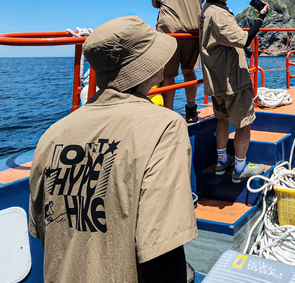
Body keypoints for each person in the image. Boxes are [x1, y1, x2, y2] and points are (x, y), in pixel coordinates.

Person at [29, 16, 197, 283]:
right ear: (147, 66)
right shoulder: (164, 126)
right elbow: (162, 249)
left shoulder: (52, 135)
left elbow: (45, 231)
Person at [199, 0, 269, 183]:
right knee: (244, 122)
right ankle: (240, 168)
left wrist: (241, 51)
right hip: (233, 80)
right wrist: (260, 19)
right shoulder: (219, 14)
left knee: (222, 119)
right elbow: (243, 39)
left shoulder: (206, 10)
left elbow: (221, 41)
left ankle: (222, 161)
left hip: (216, 79)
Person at [151, 0, 203, 122]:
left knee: (168, 75)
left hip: (169, 32)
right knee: (189, 71)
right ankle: (191, 110)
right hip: (193, 30)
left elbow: (155, 3)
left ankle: (168, 113)